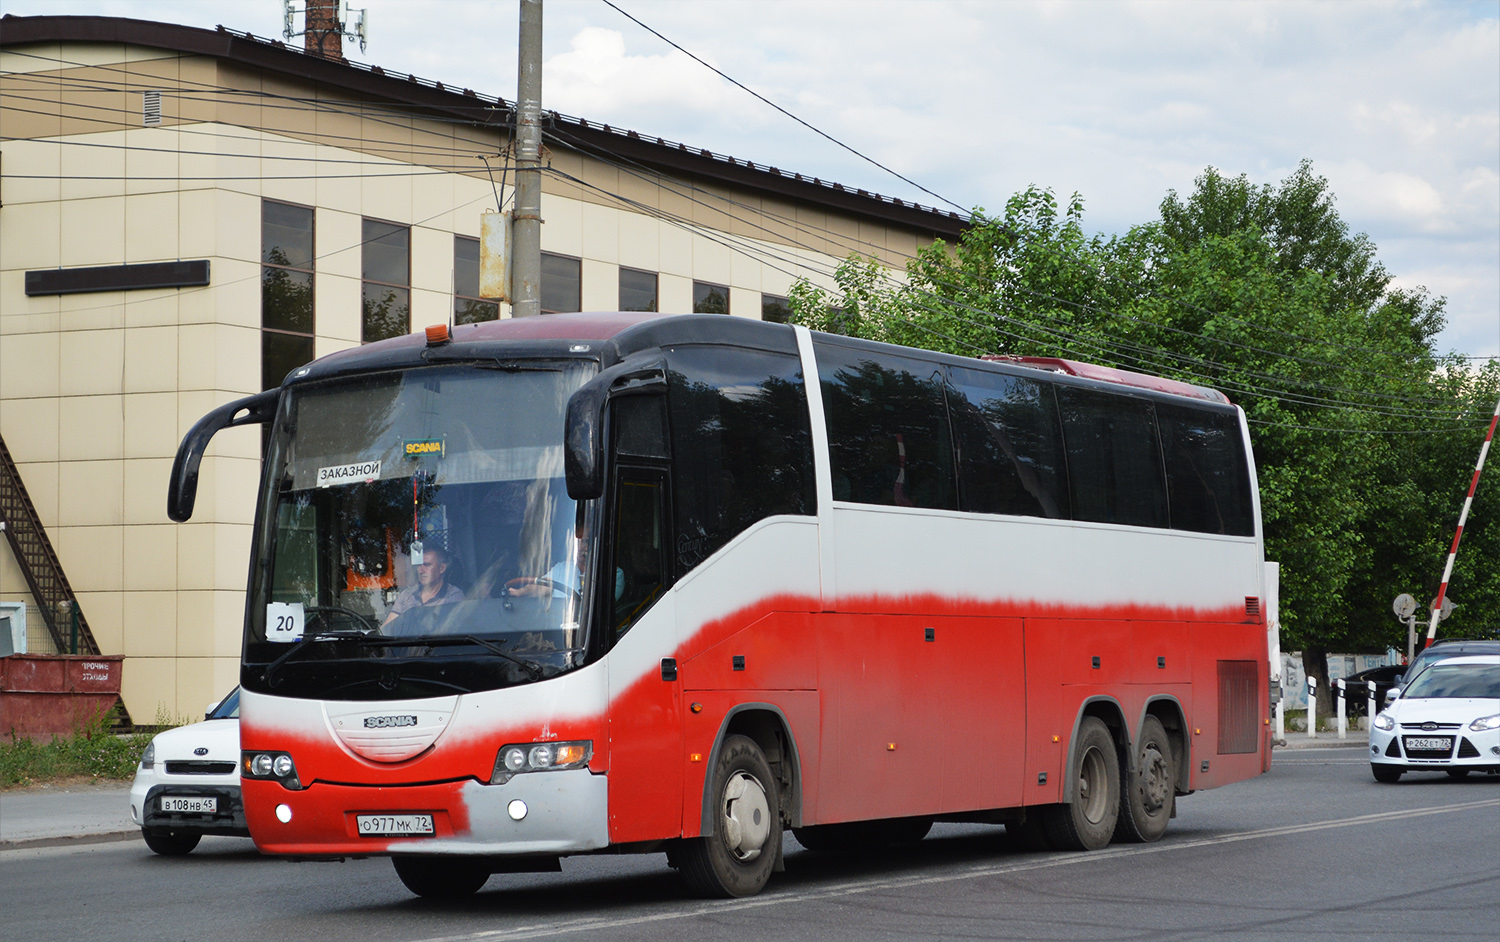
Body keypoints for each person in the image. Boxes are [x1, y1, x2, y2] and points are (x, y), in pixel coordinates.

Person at [383, 546, 463, 625]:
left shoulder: (453, 596)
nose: (421, 571)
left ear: (442, 568)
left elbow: (452, 630)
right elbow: (388, 628)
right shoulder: (407, 595)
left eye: (427, 565)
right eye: (419, 565)